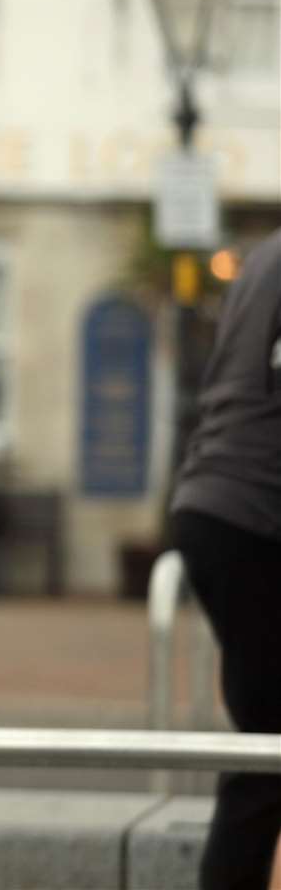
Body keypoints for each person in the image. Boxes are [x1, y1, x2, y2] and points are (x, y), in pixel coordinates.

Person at [170, 227, 281, 890]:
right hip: (260, 517)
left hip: (217, 507)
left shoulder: (265, 254)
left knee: (264, 746)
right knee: (268, 747)